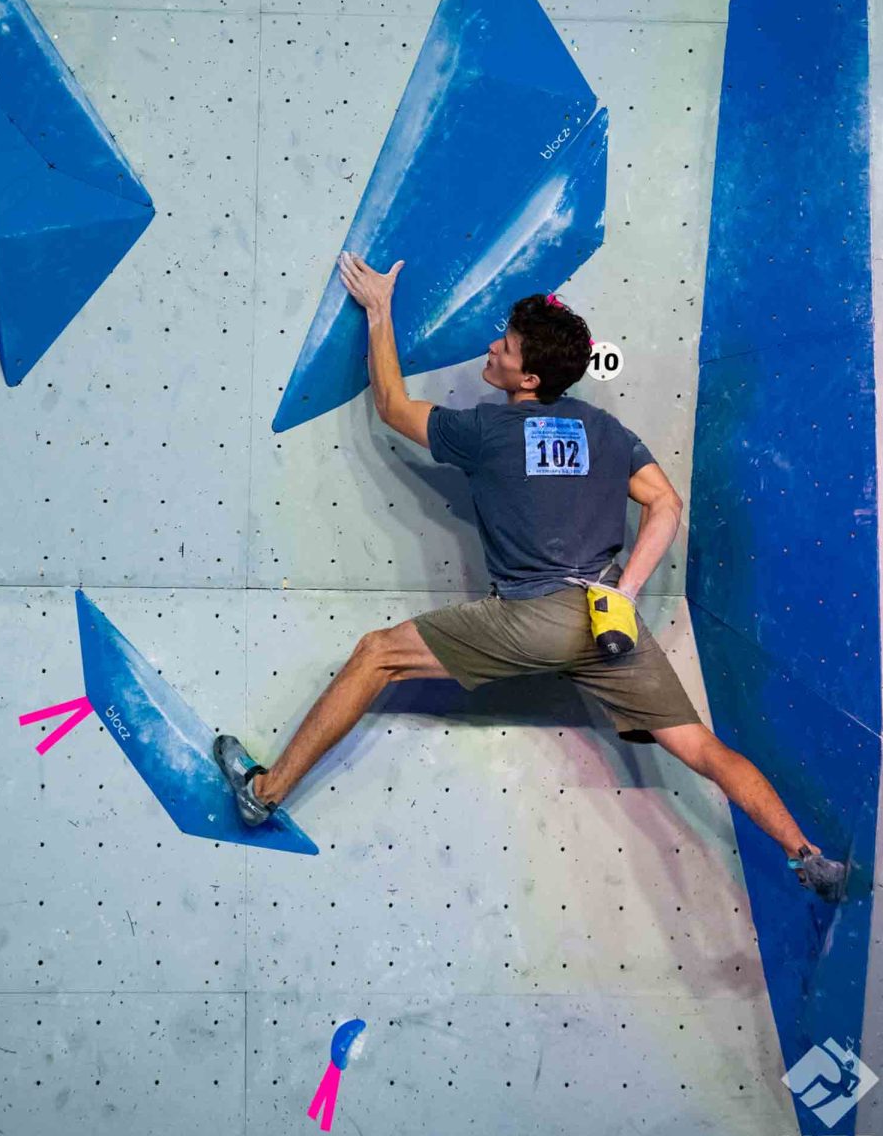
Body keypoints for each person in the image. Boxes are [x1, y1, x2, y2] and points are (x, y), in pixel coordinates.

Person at [215, 251, 849, 904]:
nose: (494, 347)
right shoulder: (605, 430)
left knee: (376, 655)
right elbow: (666, 503)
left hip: (534, 620)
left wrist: (379, 310)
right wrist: (625, 593)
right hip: (610, 627)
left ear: (531, 376)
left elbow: (391, 404)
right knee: (703, 749)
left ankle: (262, 794)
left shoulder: (485, 429)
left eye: (508, 347)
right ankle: (807, 856)